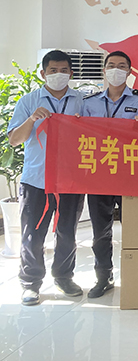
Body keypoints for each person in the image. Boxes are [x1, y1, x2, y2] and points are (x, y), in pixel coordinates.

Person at [7, 50, 86, 306]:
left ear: (71, 73)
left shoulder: (82, 101)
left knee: (67, 233)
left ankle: (64, 277)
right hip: (36, 180)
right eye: (53, 70)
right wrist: (32, 119)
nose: (58, 75)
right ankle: (30, 283)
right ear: (43, 73)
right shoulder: (29, 101)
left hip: (71, 180)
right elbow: (14, 139)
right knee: (32, 234)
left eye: (63, 70)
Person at [82, 51, 138, 298]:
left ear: (130, 72)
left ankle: (137, 277)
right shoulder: (89, 102)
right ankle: (104, 277)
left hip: (130, 175)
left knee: (135, 229)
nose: (116, 70)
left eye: (122, 66)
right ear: (104, 70)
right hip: (98, 176)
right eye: (111, 65)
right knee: (100, 232)